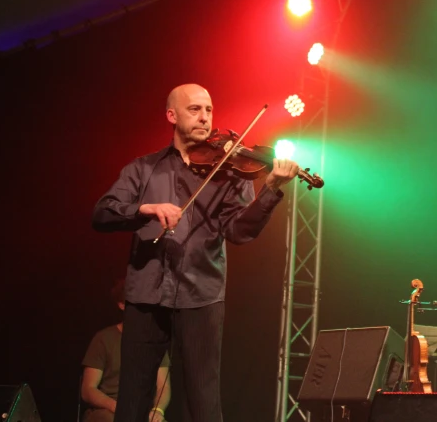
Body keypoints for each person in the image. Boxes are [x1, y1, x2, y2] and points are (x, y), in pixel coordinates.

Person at [92, 84, 299, 422]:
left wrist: (271, 189)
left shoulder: (231, 170)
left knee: (203, 399)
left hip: (201, 294)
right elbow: (102, 214)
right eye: (195, 110)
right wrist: (145, 208)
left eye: (209, 110)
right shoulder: (143, 168)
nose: (205, 118)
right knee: (133, 397)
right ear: (172, 115)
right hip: (146, 295)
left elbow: (239, 231)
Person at [81, 280, 170, 422]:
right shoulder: (103, 339)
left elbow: (163, 386)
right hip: (107, 411)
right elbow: (88, 389)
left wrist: (157, 410)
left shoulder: (155, 342)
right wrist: (115, 406)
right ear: (122, 304)